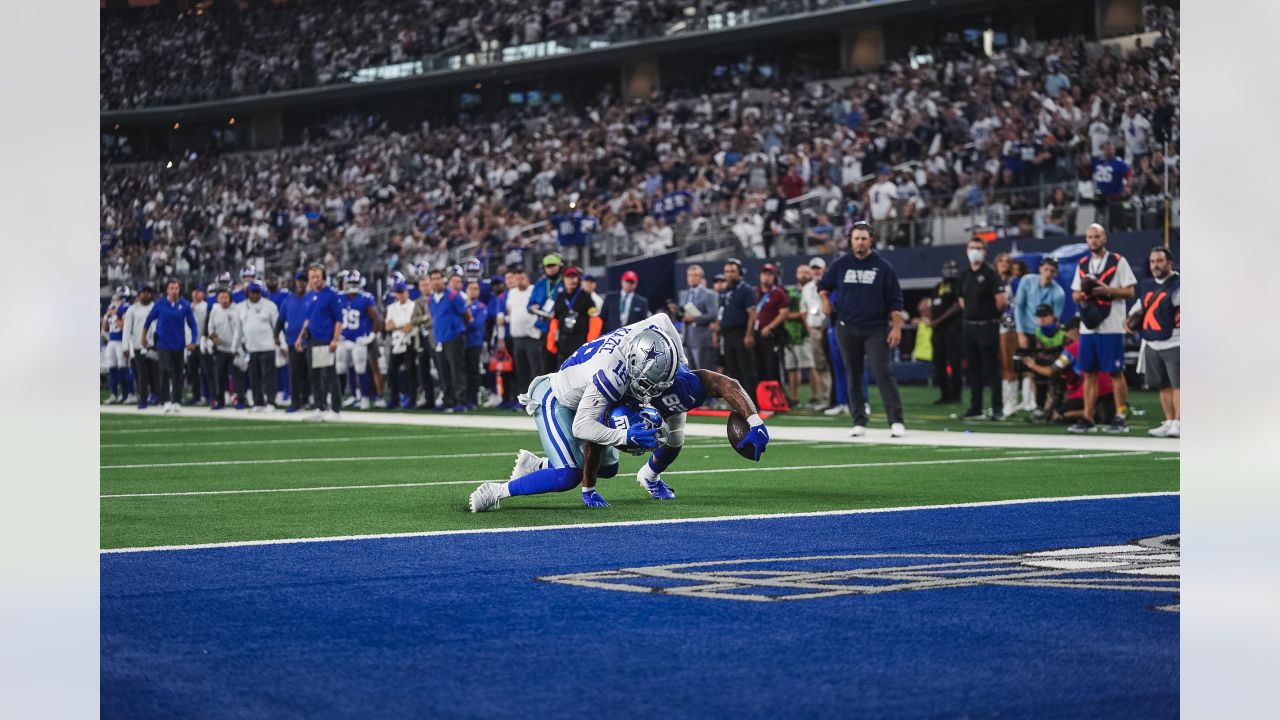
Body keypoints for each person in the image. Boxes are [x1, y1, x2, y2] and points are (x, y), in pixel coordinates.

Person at [466, 313, 692, 512]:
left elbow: (662, 319)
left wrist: (682, 361)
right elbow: (582, 426)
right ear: (634, 364)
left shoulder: (647, 335)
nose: (653, 390)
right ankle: (496, 491)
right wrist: (625, 437)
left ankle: (536, 466)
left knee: (608, 469)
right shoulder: (612, 374)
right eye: (649, 381)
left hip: (586, 391)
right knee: (568, 476)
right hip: (555, 398)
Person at [506, 366, 771, 505]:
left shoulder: (685, 387)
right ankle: (542, 465)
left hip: (668, 400)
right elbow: (596, 440)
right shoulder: (618, 396)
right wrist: (588, 489)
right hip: (590, 403)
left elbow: (726, 385)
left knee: (673, 443)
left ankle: (650, 477)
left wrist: (753, 419)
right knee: (608, 469)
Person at [817, 222, 906, 437]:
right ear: (851, 241)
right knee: (852, 374)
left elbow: (895, 301)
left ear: (871, 240)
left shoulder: (884, 267)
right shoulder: (841, 264)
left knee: (883, 372)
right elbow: (823, 286)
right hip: (846, 327)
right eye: (856, 238)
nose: (860, 242)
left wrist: (896, 328)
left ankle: (896, 421)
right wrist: (824, 301)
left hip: (876, 328)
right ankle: (859, 421)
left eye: (864, 238)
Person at [1069, 223, 1137, 433]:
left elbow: (1130, 292)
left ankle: (1120, 415)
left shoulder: (1118, 261)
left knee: (1115, 372)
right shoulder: (1082, 263)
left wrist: (1107, 290)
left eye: (1097, 236)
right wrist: (1084, 294)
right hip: (1089, 327)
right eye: (1089, 237)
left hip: (1111, 326)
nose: (1093, 241)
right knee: (1088, 373)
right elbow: (1074, 293)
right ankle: (1088, 418)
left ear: (1105, 238)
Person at [1128, 247, 1180, 438]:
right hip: (1152, 341)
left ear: (1169, 263)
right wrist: (1131, 319)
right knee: (1162, 385)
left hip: (1175, 341)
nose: (1155, 265)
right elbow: (1140, 307)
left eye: (1159, 261)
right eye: (1152, 261)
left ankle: (1179, 422)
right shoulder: (1147, 284)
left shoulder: (1179, 284)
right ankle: (1169, 421)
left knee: (1178, 385)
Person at [957, 237, 1008, 420]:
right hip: (969, 326)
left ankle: (997, 408)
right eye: (972, 247)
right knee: (973, 369)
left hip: (987, 325)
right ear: (966, 249)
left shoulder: (990, 273)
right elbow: (961, 299)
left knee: (992, 368)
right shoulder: (964, 275)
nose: (975, 251)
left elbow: (1001, 301)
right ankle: (975, 407)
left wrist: (987, 314)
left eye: (978, 248)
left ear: (985, 251)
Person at [1014, 256, 1067, 411]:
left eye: (1052, 270)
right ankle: (1029, 401)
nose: (1048, 273)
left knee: (1042, 369)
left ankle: (1044, 405)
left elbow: (1054, 319)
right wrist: (1020, 333)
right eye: (1046, 269)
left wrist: (1044, 338)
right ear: (1040, 269)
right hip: (1026, 331)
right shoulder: (1027, 281)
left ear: (1056, 274)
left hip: (1045, 335)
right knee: (1027, 369)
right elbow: (1019, 307)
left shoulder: (1058, 293)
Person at [141, 278, 198, 414]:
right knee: (165, 370)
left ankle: (177, 401)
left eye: (176, 288)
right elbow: (148, 320)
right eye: (171, 288)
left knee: (178, 374)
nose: (174, 291)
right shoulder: (160, 304)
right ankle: (165, 400)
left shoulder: (185, 305)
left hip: (179, 344)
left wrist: (194, 341)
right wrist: (143, 337)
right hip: (163, 344)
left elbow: (193, 325)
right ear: (167, 290)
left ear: (179, 290)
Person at [296, 263, 345, 422]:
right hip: (312, 339)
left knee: (329, 374)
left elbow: (339, 320)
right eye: (312, 277)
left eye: (317, 276)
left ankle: (336, 410)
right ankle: (320, 407)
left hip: (326, 339)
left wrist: (335, 339)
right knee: (315, 375)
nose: (314, 280)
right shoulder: (310, 296)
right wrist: (300, 337)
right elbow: (308, 320)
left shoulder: (331, 295)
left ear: (324, 277)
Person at [429, 265, 473, 413]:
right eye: (433, 279)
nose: (435, 282)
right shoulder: (431, 299)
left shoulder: (454, 296)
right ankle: (448, 400)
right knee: (444, 372)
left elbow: (466, 314)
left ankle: (461, 401)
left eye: (438, 279)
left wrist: (458, 329)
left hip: (454, 337)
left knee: (457, 370)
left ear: (443, 280)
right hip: (440, 339)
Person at [336, 270, 382, 410]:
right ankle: (340, 397)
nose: (353, 285)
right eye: (351, 282)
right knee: (341, 368)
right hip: (344, 339)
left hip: (358, 340)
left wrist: (371, 336)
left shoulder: (365, 298)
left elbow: (378, 319)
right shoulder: (339, 297)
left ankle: (365, 398)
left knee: (360, 369)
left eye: (355, 283)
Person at [718, 258, 758, 400]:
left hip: (741, 333)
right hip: (727, 335)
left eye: (733, 271)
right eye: (727, 271)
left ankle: (752, 403)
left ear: (739, 272)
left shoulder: (746, 289)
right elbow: (721, 313)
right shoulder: (725, 291)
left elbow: (752, 315)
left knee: (746, 369)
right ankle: (738, 402)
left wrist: (749, 335)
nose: (729, 274)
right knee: (732, 370)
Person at [237, 281, 279, 412]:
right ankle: (258, 403)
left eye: (257, 292)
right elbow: (239, 329)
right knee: (254, 377)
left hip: (267, 346)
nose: (255, 295)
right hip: (251, 347)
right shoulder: (241, 307)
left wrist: (280, 343)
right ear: (248, 292)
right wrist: (237, 346)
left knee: (269, 377)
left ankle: (271, 402)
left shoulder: (270, 306)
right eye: (252, 292)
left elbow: (276, 326)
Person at [502, 267, 539, 410]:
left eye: (522, 278)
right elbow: (510, 311)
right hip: (517, 338)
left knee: (535, 371)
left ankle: (536, 400)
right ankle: (523, 401)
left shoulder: (534, 290)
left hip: (532, 337)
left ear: (528, 278)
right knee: (521, 371)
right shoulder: (512, 292)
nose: (519, 281)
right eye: (517, 279)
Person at [275, 270, 311, 413]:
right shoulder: (288, 300)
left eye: (304, 280)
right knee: (294, 373)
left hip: (309, 340)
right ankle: (295, 402)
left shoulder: (311, 298)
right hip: (292, 341)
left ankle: (307, 399)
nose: (301, 283)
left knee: (309, 373)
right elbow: (280, 320)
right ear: (295, 282)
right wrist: (276, 335)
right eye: (299, 280)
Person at [929, 260, 964, 404]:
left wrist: (938, 320)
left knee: (955, 362)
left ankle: (955, 395)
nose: (949, 271)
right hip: (938, 330)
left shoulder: (958, 285)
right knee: (939, 361)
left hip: (953, 328)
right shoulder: (938, 286)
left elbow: (957, 306)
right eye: (947, 268)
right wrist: (931, 319)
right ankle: (945, 394)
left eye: (952, 268)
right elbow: (932, 305)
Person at [799, 257, 832, 411]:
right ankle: (825, 398)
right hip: (814, 330)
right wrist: (810, 329)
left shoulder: (830, 283)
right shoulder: (806, 288)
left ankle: (836, 398)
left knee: (833, 364)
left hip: (829, 328)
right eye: (814, 268)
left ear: (824, 269)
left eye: (819, 268)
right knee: (820, 365)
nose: (816, 271)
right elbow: (804, 311)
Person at [753, 262, 789, 389]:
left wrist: (770, 327)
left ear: (774, 277)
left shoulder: (778, 293)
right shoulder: (755, 292)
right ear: (760, 276)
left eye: (770, 274)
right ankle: (762, 399)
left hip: (771, 335)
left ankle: (777, 398)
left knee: (772, 367)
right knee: (758, 367)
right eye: (764, 274)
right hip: (755, 335)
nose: (766, 277)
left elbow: (784, 313)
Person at [384, 278, 418, 409]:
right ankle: (395, 398)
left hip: (410, 341)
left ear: (407, 291)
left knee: (411, 371)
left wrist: (396, 326)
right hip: (396, 341)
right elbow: (387, 326)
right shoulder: (391, 307)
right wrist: (402, 326)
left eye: (402, 291)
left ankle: (412, 399)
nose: (400, 294)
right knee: (391, 371)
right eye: (398, 292)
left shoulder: (413, 305)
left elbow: (411, 327)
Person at [121, 283, 157, 410]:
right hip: (137, 345)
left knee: (155, 372)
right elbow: (126, 328)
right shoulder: (132, 309)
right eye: (144, 292)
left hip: (153, 345)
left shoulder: (155, 307)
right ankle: (143, 399)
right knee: (142, 374)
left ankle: (155, 394)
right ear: (139, 294)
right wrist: (125, 347)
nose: (147, 295)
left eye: (149, 292)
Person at [528, 253, 564, 375]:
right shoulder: (540, 284)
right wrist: (533, 308)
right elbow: (529, 305)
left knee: (564, 364)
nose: (551, 268)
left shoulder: (566, 281)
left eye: (554, 265)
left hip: (563, 329)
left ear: (560, 266)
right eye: (548, 266)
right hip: (546, 330)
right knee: (547, 365)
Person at [207, 287, 243, 410]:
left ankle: (240, 401)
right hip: (221, 349)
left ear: (230, 298)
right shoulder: (215, 309)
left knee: (237, 376)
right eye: (221, 297)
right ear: (217, 298)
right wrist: (213, 337)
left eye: (226, 297)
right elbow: (210, 327)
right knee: (219, 376)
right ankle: (220, 401)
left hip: (234, 349)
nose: (223, 300)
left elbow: (240, 329)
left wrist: (237, 346)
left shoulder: (237, 309)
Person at [552, 266, 596, 365]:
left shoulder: (585, 295)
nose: (571, 280)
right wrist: (552, 339)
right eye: (568, 277)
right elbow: (555, 318)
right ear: (564, 279)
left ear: (578, 279)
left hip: (580, 341)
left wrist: (592, 340)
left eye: (574, 277)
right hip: (563, 341)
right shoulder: (560, 296)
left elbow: (594, 318)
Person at [783, 264, 813, 406]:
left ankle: (817, 397)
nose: (803, 275)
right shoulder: (789, 292)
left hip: (807, 333)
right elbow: (784, 313)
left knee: (811, 366)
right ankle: (794, 398)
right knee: (792, 367)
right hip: (790, 334)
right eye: (801, 272)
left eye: (806, 272)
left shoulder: (815, 290)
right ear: (796, 274)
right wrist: (799, 315)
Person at [678, 264, 717, 371]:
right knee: (690, 373)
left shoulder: (708, 294)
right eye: (689, 275)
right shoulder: (683, 294)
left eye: (695, 275)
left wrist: (694, 318)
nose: (691, 278)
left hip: (701, 340)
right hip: (686, 339)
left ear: (701, 278)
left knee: (703, 373)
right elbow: (682, 314)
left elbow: (713, 315)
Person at [102, 286, 132, 404]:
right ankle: (114, 394)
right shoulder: (111, 307)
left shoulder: (126, 307)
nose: (116, 296)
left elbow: (123, 326)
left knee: (123, 368)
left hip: (122, 341)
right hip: (112, 341)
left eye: (118, 294)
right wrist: (106, 317)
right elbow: (105, 328)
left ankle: (130, 394)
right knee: (112, 369)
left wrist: (114, 316)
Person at [412, 270, 438, 409]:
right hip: (421, 338)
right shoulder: (418, 301)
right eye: (423, 285)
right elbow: (413, 320)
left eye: (427, 284)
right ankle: (429, 399)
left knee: (440, 368)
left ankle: (445, 396)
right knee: (423, 370)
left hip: (434, 337)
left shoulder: (436, 299)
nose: (425, 287)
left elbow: (435, 319)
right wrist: (424, 319)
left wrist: (424, 321)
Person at [461, 280, 488, 410]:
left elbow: (476, 324)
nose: (473, 291)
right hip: (462, 344)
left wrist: (466, 323)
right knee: (462, 372)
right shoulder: (462, 305)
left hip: (474, 343)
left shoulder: (482, 306)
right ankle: (463, 398)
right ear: (466, 290)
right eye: (471, 288)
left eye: (476, 288)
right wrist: (469, 320)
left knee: (473, 371)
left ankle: (473, 398)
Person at [1092, 142, 1132, 230]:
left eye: (1110, 149)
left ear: (1114, 150)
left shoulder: (1119, 163)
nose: (1108, 151)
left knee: (1119, 223)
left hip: (1115, 197)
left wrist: (1128, 186)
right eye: (1106, 149)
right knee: (1100, 222)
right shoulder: (1099, 161)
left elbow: (1129, 174)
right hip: (1101, 197)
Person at [185, 285, 208, 404]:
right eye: (194, 291)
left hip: (203, 343)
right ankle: (196, 396)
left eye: (198, 292)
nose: (195, 294)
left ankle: (207, 395)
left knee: (206, 372)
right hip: (191, 345)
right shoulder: (188, 307)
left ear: (203, 294)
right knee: (192, 372)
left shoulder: (206, 306)